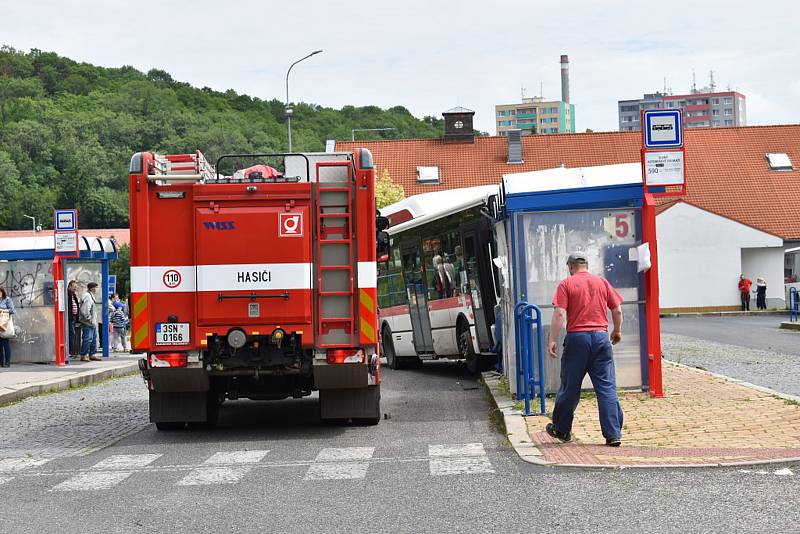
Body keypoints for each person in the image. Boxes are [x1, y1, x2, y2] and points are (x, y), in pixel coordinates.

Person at [545, 251, 625, 447]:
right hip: (601, 337)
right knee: (606, 387)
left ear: (571, 266)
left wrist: (552, 339)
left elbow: (559, 313)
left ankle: (562, 430)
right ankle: (613, 434)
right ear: (586, 265)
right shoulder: (601, 282)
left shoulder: (566, 284)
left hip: (577, 340)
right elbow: (617, 310)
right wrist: (617, 330)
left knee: (570, 387)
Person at [79, 282, 101, 362]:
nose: (96, 289)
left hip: (92, 322)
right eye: (96, 287)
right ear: (92, 288)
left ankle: (92, 354)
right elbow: (85, 310)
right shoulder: (87, 296)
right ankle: (84, 355)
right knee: (88, 338)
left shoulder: (91, 296)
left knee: (93, 339)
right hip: (87, 322)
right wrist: (89, 319)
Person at [0, 287, 16, 368]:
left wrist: (3, 310)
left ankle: (7, 362)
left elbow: (13, 310)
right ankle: (1, 363)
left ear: (2, 292)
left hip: (4, 324)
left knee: (5, 343)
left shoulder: (7, 299)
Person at [67, 281, 81, 360]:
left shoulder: (73, 294)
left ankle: (72, 351)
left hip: (74, 317)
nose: (75, 288)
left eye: (76, 286)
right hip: (70, 317)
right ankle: (70, 351)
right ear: (69, 286)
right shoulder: (68, 294)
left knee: (73, 333)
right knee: (71, 333)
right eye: (74, 286)